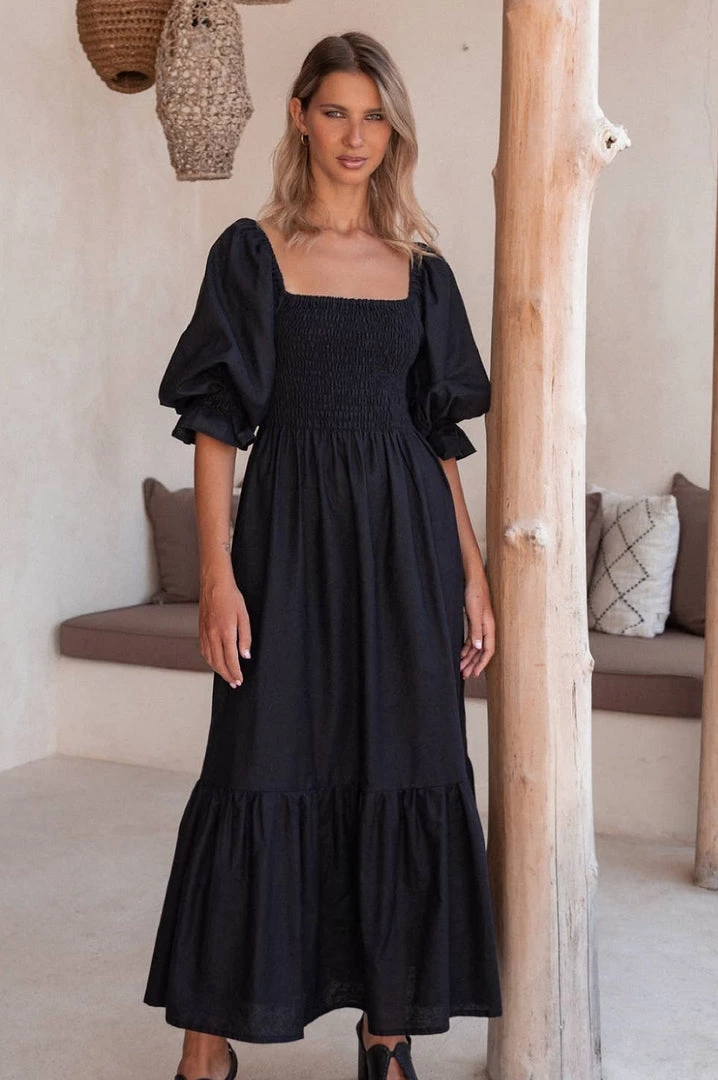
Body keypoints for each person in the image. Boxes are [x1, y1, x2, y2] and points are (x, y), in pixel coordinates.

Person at [143, 29, 502, 1080]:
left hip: (407, 551)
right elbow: (218, 426)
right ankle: (207, 1047)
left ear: (395, 132)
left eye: (374, 117)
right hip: (288, 544)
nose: (355, 136)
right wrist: (217, 577)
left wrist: (473, 575)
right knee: (257, 766)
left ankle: (386, 1039)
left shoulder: (422, 271)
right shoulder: (250, 253)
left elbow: (438, 440)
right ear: (299, 116)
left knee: (403, 764)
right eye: (337, 112)